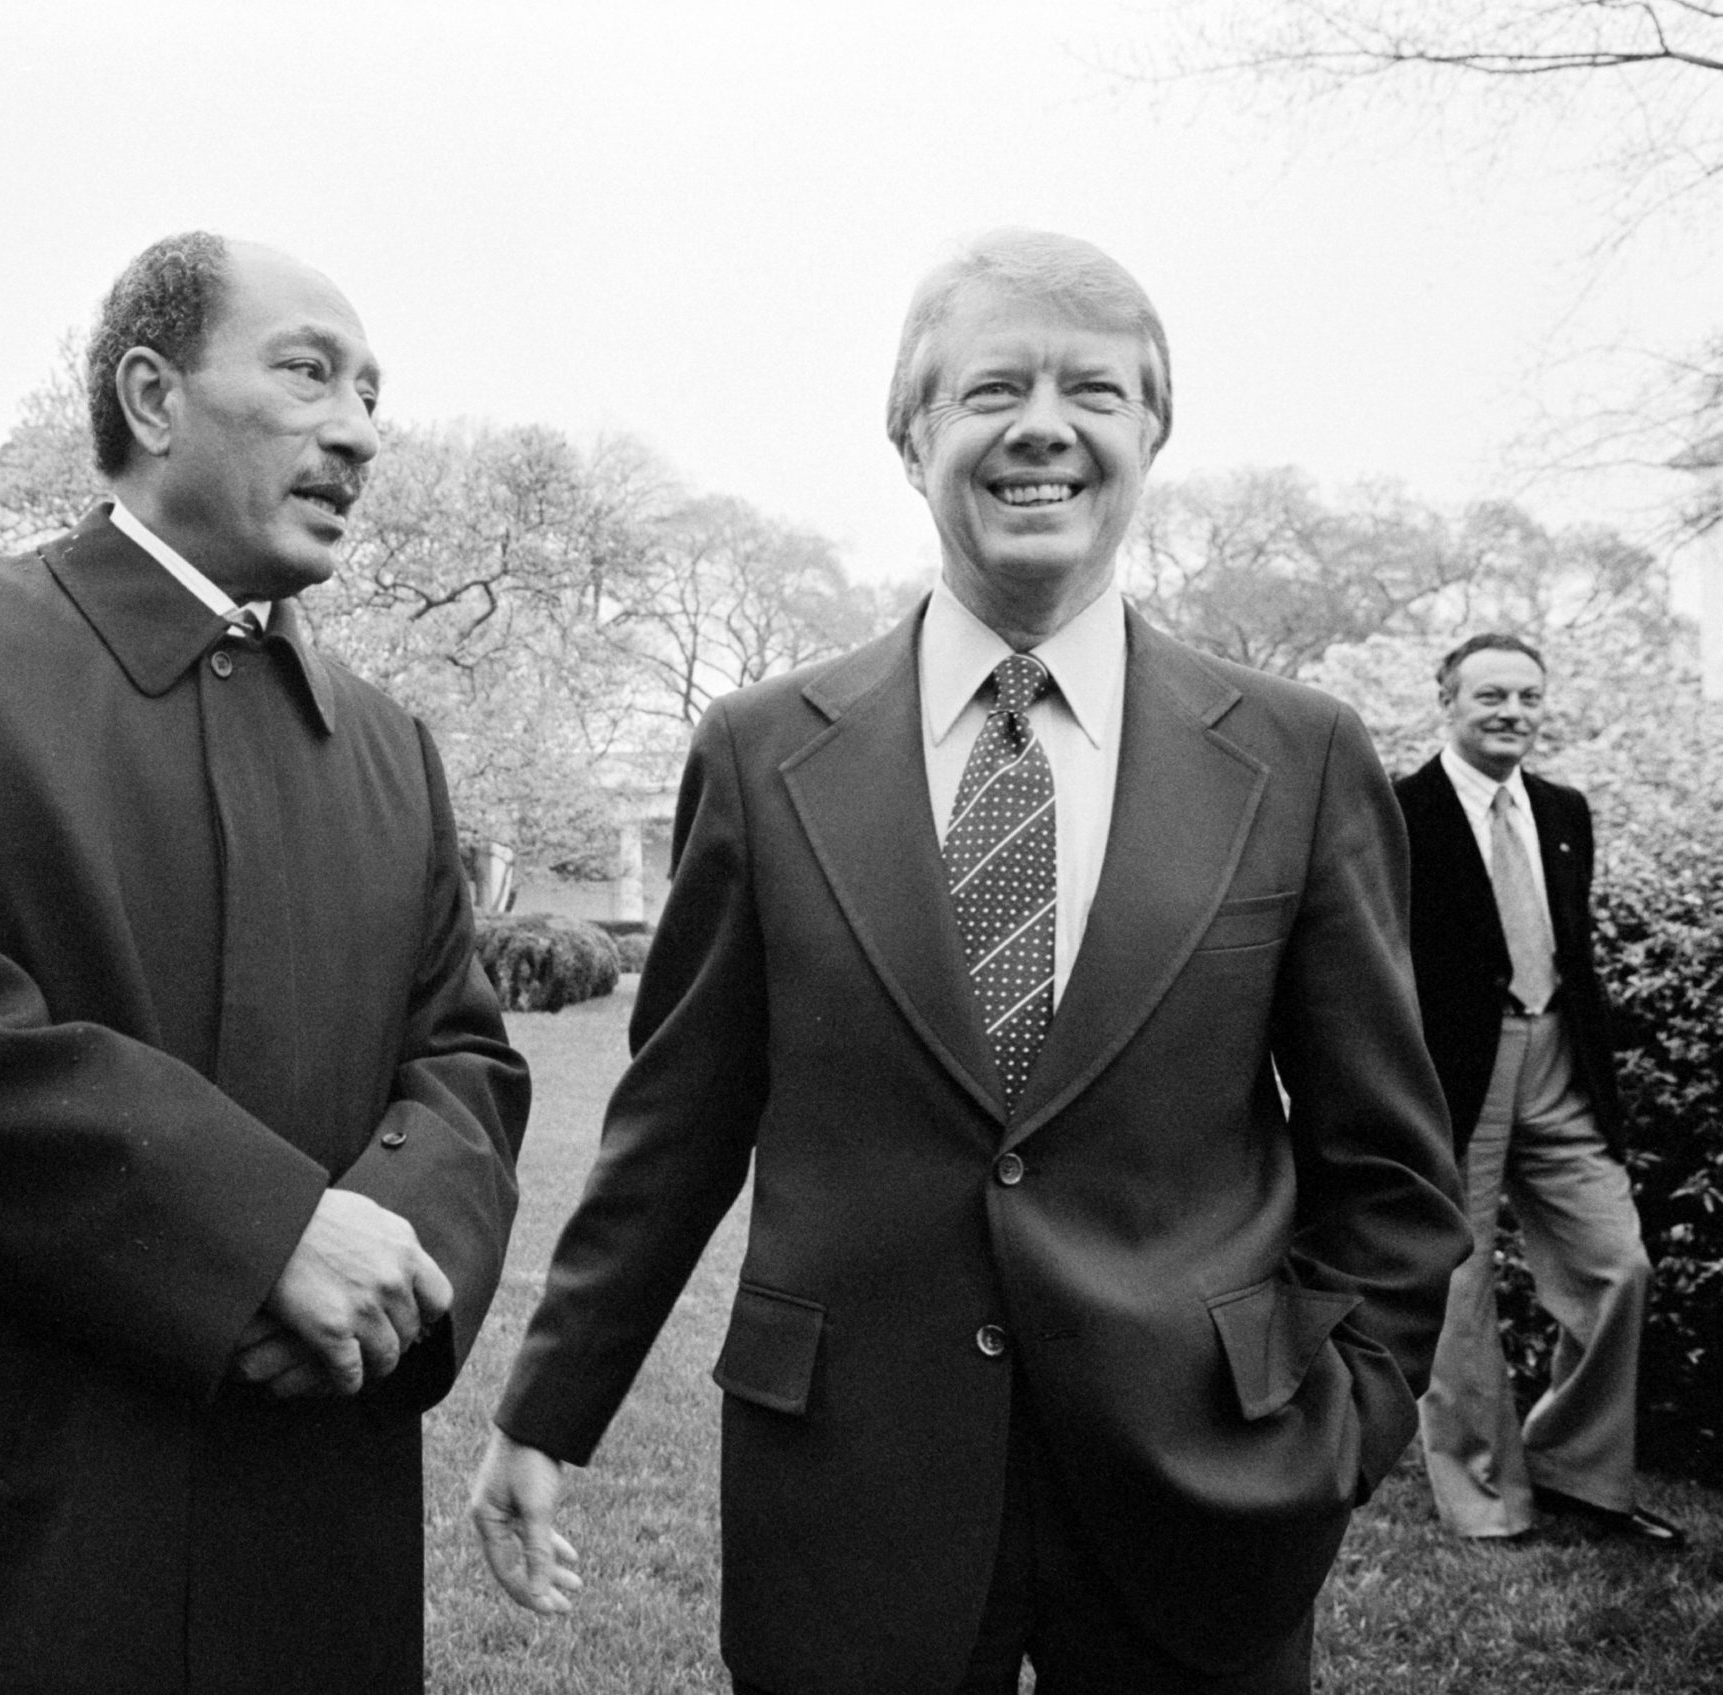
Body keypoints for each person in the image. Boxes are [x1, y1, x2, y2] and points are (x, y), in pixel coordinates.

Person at [468, 230, 1469, 1695]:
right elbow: (674, 1130)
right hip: (850, 1493)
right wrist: (546, 1411)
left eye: (1095, 391)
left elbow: (1389, 1167)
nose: (1042, 426)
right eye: (994, 388)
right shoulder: (760, 755)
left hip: (1205, 1489)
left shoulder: (1299, 755)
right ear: (910, 435)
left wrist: (1344, 1426)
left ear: (1151, 433)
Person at [0, 233, 528, 1695]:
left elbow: (463, 1060)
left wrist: (385, 1259)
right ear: (151, 396)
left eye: (372, 395)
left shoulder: (391, 747)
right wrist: (264, 1236)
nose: (359, 431)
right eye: (310, 373)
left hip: (303, 1496)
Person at [1400, 634, 1681, 1548]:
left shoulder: (1564, 810)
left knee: (1617, 1265)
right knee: (1458, 1282)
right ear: (1447, 700)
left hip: (1558, 1060)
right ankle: (1484, 1494)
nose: (1512, 712)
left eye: (1527, 695)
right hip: (1452, 1076)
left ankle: (1575, 1468)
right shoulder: (1399, 811)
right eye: (1490, 695)